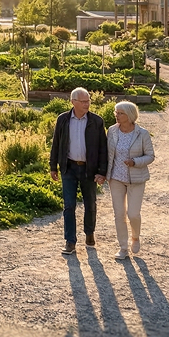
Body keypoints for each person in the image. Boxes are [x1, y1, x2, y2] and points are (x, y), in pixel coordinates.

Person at [50, 87, 108, 256]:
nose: (87, 104)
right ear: (73, 102)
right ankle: (70, 241)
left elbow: (103, 148)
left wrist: (102, 171)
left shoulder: (97, 121)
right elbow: (56, 144)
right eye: (83, 101)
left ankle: (89, 233)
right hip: (68, 167)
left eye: (88, 100)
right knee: (69, 205)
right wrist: (53, 166)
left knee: (90, 204)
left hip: (89, 169)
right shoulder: (63, 119)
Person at [105, 101, 155, 260]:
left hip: (136, 179)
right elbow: (107, 154)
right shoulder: (112, 131)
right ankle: (123, 247)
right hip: (116, 178)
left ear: (130, 115)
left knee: (133, 213)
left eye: (120, 113)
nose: (116, 115)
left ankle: (135, 237)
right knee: (119, 214)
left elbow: (150, 156)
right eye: (116, 112)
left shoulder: (142, 133)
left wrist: (135, 162)